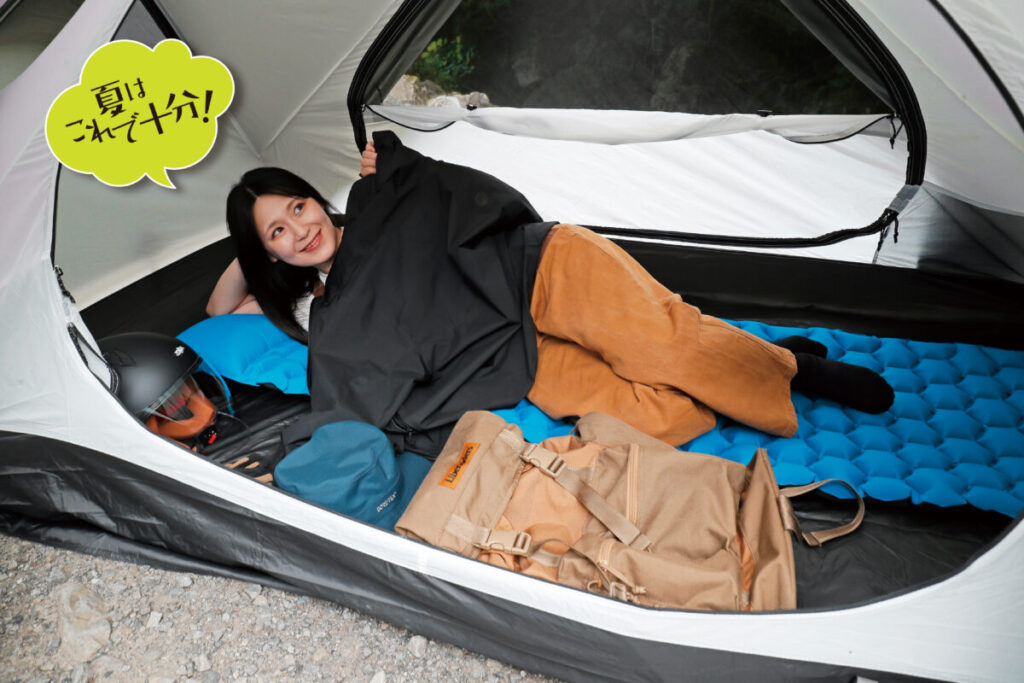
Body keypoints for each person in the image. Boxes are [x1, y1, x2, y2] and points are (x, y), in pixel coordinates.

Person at [212, 132, 893, 456]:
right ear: (266, 252)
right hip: (505, 353)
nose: (301, 229)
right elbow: (218, 312)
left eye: (299, 207)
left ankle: (794, 367)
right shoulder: (313, 307)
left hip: (537, 271)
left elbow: (440, 192)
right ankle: (752, 360)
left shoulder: (380, 214)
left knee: (665, 349)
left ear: (316, 198)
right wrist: (252, 250)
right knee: (649, 422)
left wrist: (393, 173)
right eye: (278, 231)